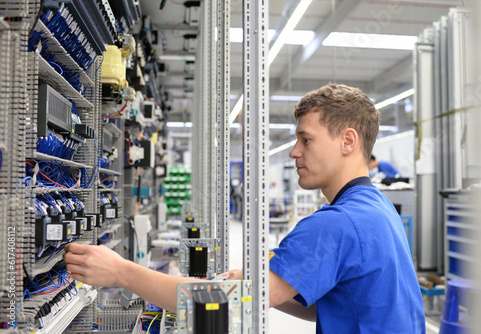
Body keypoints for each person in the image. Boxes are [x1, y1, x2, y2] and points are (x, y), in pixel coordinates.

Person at [64, 83, 425, 332]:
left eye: (305, 139)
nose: (294, 151)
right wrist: (268, 288)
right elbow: (341, 308)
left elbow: (220, 302)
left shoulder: (338, 223)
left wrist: (120, 272)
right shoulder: (378, 210)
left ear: (348, 141)